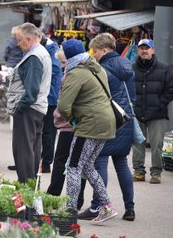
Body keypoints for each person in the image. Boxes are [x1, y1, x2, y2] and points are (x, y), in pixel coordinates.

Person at [57, 38, 117, 224]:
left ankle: (70, 214)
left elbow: (63, 106)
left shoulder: (75, 73)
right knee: (88, 166)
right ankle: (107, 206)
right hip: (107, 123)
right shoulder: (96, 67)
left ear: (68, 56)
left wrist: (74, 121)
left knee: (73, 167)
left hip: (89, 125)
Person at [77, 33, 136, 221]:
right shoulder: (127, 64)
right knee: (122, 164)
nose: (93, 54)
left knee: (99, 162)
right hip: (126, 120)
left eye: (95, 50)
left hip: (108, 120)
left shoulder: (101, 68)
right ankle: (130, 208)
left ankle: (97, 206)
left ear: (104, 49)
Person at [6, 22, 51, 183]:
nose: (18, 44)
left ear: (29, 39)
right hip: (36, 109)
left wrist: (19, 108)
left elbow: (31, 91)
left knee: (23, 150)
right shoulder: (40, 53)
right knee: (32, 149)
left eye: (19, 40)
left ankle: (26, 187)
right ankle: (31, 187)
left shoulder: (34, 57)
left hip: (29, 109)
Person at [132, 39, 173, 184]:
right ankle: (139, 171)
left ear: (153, 50)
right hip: (138, 112)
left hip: (157, 114)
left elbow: (171, 90)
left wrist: (160, 104)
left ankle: (156, 172)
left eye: (147, 48)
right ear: (138, 50)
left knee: (157, 145)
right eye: (141, 48)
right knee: (138, 143)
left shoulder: (163, 68)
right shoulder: (132, 68)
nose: (144, 51)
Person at [41, 38, 63, 173]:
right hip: (48, 97)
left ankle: (47, 162)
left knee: (48, 132)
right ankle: (41, 160)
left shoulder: (52, 54)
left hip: (51, 99)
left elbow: (54, 71)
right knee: (43, 132)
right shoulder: (49, 52)